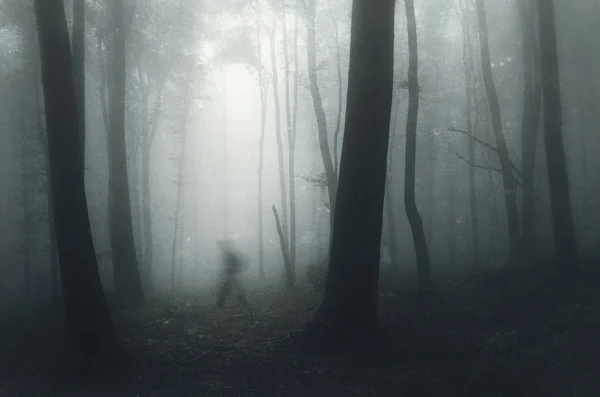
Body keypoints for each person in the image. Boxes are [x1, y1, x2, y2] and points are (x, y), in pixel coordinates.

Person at [216, 240, 248, 308]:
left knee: (228, 289)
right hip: (231, 274)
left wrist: (231, 270)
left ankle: (220, 303)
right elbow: (231, 265)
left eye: (223, 247)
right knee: (230, 289)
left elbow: (235, 264)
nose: (222, 249)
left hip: (232, 274)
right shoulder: (228, 254)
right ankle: (243, 302)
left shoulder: (230, 254)